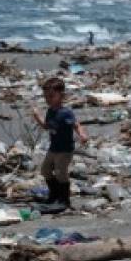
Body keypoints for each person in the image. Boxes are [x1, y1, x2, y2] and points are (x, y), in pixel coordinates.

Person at [30, 77, 87, 209]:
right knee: (45, 170)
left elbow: (75, 124)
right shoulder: (50, 111)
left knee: (61, 172)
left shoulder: (65, 112)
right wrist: (37, 117)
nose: (48, 99)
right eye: (45, 96)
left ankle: (64, 199)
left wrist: (82, 134)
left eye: (51, 96)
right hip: (54, 147)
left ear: (61, 95)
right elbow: (47, 127)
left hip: (65, 148)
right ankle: (54, 194)